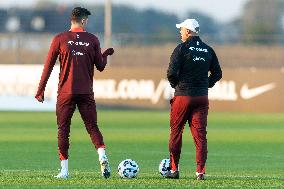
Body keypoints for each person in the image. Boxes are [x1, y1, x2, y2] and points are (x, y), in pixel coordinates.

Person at [35, 7, 114, 179]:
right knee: (92, 126)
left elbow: (48, 66)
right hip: (86, 92)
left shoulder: (60, 39)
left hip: (66, 92)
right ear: (84, 21)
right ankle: (102, 156)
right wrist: (106, 54)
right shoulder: (92, 39)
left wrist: (40, 90)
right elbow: (100, 66)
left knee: (63, 129)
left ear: (72, 20)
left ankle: (64, 171)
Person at [165, 19, 222, 180]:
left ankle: (174, 170)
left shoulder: (181, 49)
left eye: (182, 30)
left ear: (188, 31)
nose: (180, 32)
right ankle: (200, 173)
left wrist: (177, 86)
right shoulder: (208, 50)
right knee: (200, 136)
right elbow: (218, 73)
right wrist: (206, 85)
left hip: (183, 96)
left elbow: (171, 73)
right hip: (201, 97)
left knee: (176, 133)